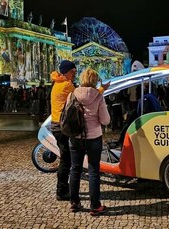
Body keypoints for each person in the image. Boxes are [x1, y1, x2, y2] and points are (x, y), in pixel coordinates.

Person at [50, 60, 108, 201]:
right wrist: (101, 90)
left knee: (71, 163)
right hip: (63, 126)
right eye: (72, 72)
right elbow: (84, 97)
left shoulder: (57, 83)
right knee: (66, 161)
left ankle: (71, 196)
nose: (74, 75)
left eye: (76, 73)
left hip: (57, 124)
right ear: (65, 72)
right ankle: (62, 191)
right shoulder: (67, 86)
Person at [68, 68, 110, 215]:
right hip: (93, 138)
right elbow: (105, 120)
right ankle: (95, 206)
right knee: (93, 171)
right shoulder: (98, 97)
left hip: (75, 137)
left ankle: (74, 203)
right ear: (94, 80)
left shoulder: (72, 94)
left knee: (75, 169)